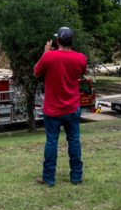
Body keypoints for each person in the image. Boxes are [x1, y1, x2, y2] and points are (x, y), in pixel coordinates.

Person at [34, 27, 87, 187]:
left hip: (52, 110)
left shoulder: (49, 57)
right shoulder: (80, 58)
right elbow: (82, 72)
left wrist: (46, 52)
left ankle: (49, 178)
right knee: (74, 141)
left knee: (51, 142)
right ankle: (76, 177)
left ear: (57, 41)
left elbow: (36, 72)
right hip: (72, 108)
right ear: (72, 41)